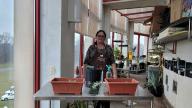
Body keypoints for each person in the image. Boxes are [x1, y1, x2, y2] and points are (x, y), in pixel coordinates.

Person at [84, 30, 117, 108]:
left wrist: (115, 75)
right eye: (99, 35)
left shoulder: (108, 48)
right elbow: (85, 62)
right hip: (93, 79)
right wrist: (84, 76)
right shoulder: (91, 48)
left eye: (102, 36)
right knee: (95, 101)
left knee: (106, 100)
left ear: (105, 38)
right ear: (96, 37)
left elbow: (113, 62)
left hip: (106, 78)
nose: (100, 37)